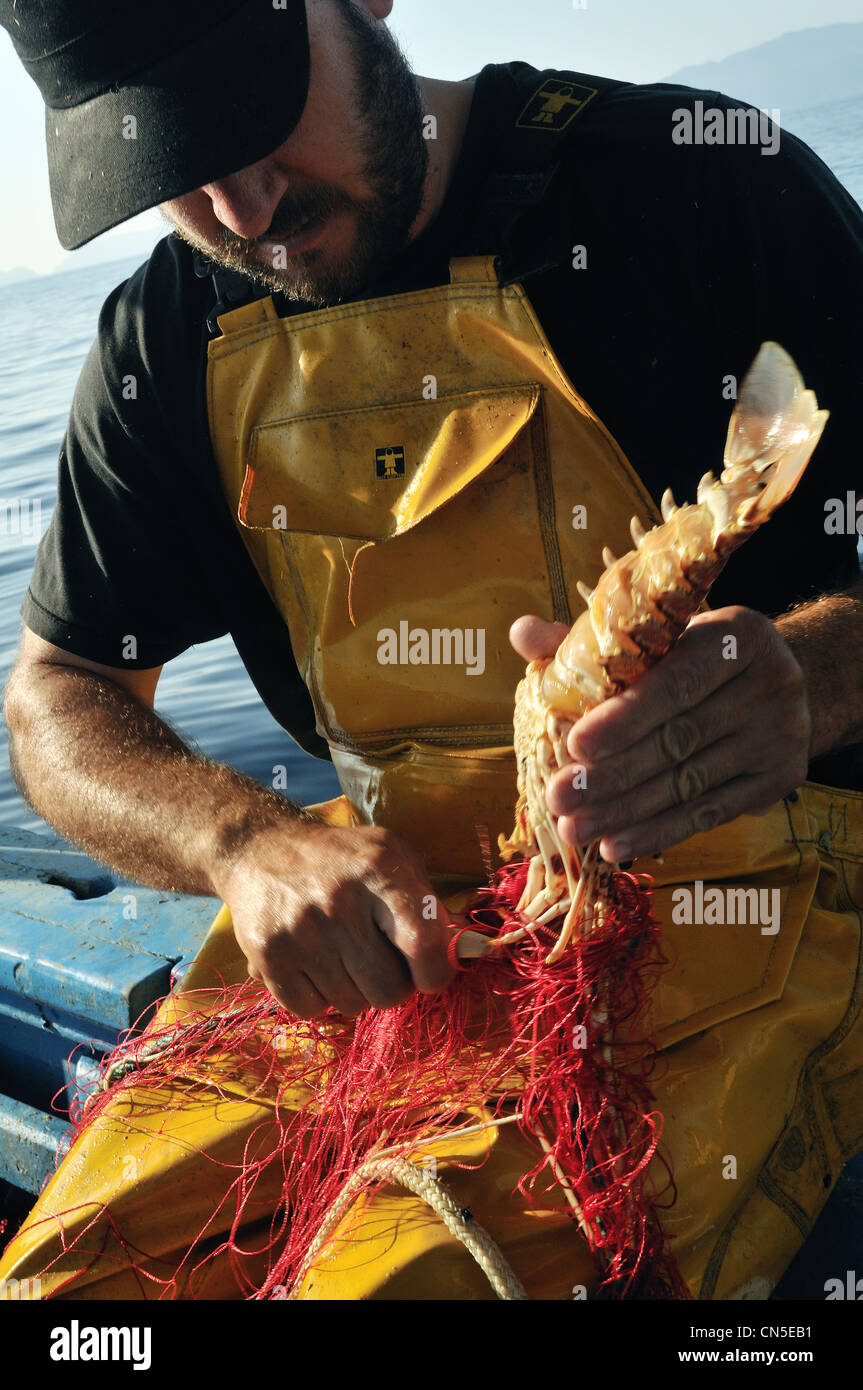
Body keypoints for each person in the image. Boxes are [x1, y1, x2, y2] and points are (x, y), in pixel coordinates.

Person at [1, 0, 863, 1300]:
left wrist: (815, 680)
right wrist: (245, 845)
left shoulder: (705, 186)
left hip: (751, 906)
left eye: (255, 112)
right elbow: (58, 695)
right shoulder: (162, 339)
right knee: (70, 1290)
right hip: (388, 943)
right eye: (169, 165)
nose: (241, 209)